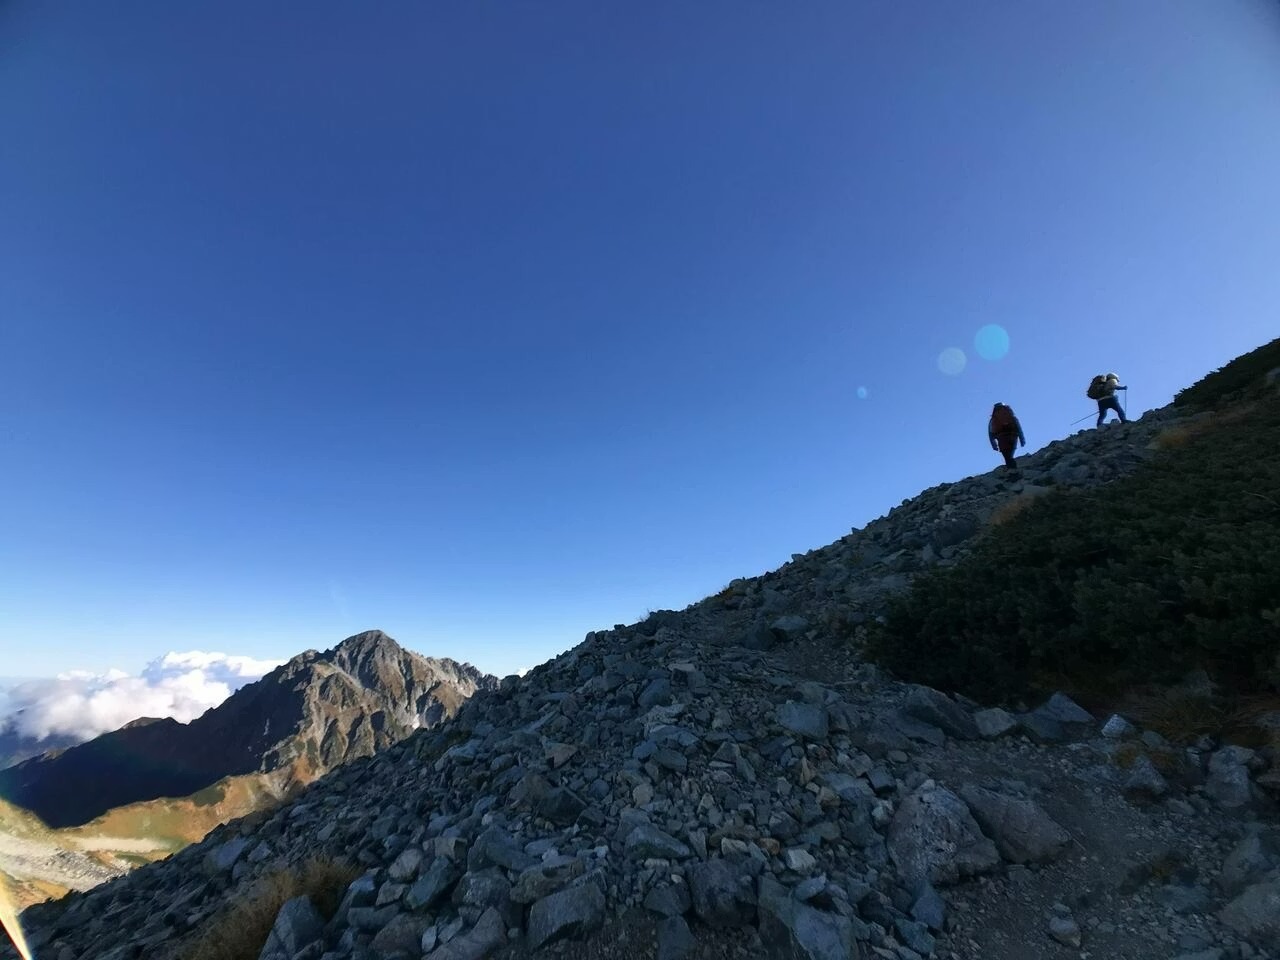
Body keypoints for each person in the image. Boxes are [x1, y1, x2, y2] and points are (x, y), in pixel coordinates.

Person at [988, 402, 1025, 471]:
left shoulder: (993, 419)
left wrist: (994, 445)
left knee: (1007, 457)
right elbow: (1018, 428)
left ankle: (1013, 472)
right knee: (1010, 455)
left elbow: (990, 434)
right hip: (1013, 437)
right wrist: (1022, 440)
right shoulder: (1011, 416)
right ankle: (1013, 471)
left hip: (1002, 439)